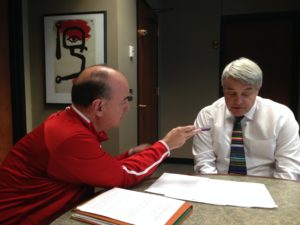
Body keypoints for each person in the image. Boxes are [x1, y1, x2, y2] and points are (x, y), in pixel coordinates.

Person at [0, 65, 200, 225]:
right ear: (99, 106)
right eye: (124, 101)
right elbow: (124, 177)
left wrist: (130, 153)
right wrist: (166, 145)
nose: (128, 108)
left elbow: (95, 167)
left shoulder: (69, 121)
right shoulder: (70, 137)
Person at [192, 57, 300, 180]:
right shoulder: (208, 116)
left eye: (246, 93)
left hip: (267, 186)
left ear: (258, 90)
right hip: (220, 184)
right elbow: (204, 164)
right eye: (231, 93)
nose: (238, 101)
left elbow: (289, 170)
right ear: (223, 89)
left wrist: (275, 194)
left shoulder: (281, 116)